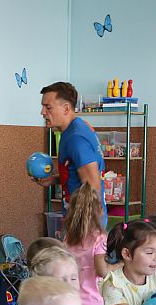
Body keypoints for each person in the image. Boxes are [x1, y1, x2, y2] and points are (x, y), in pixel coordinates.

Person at [36, 81, 107, 227]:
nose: (42, 112)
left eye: (48, 107)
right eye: (43, 107)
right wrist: (53, 180)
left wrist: (85, 230)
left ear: (66, 108)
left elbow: (92, 186)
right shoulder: (72, 130)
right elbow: (77, 174)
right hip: (76, 219)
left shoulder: (76, 138)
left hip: (85, 223)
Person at [63, 182, 112, 305]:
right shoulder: (100, 237)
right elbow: (102, 271)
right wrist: (122, 265)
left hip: (72, 300)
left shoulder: (68, 238)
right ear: (100, 210)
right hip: (93, 302)